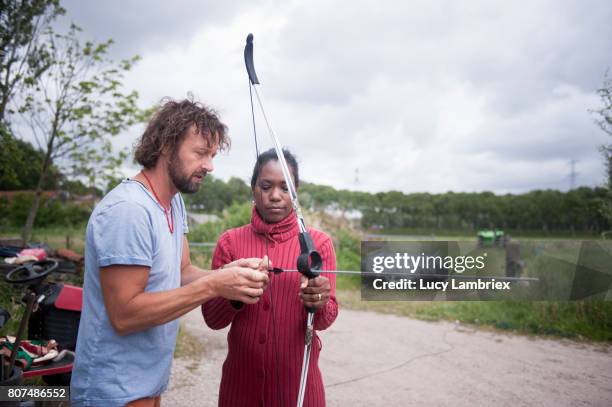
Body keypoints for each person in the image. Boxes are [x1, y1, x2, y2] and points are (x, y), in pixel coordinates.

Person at [71, 99, 269, 407]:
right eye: (201, 152)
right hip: (112, 390)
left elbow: (182, 272)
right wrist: (214, 286)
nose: (210, 166)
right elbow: (125, 314)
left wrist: (230, 274)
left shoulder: (174, 202)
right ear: (166, 145)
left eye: (213, 155)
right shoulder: (129, 211)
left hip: (147, 382)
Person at [202, 148, 338, 406]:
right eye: (266, 186)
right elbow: (212, 319)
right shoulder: (230, 242)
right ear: (253, 188)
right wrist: (235, 294)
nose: (275, 196)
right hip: (240, 388)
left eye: (285, 188)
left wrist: (318, 302)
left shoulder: (318, 243)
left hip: (298, 388)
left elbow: (325, 319)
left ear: (296, 192)